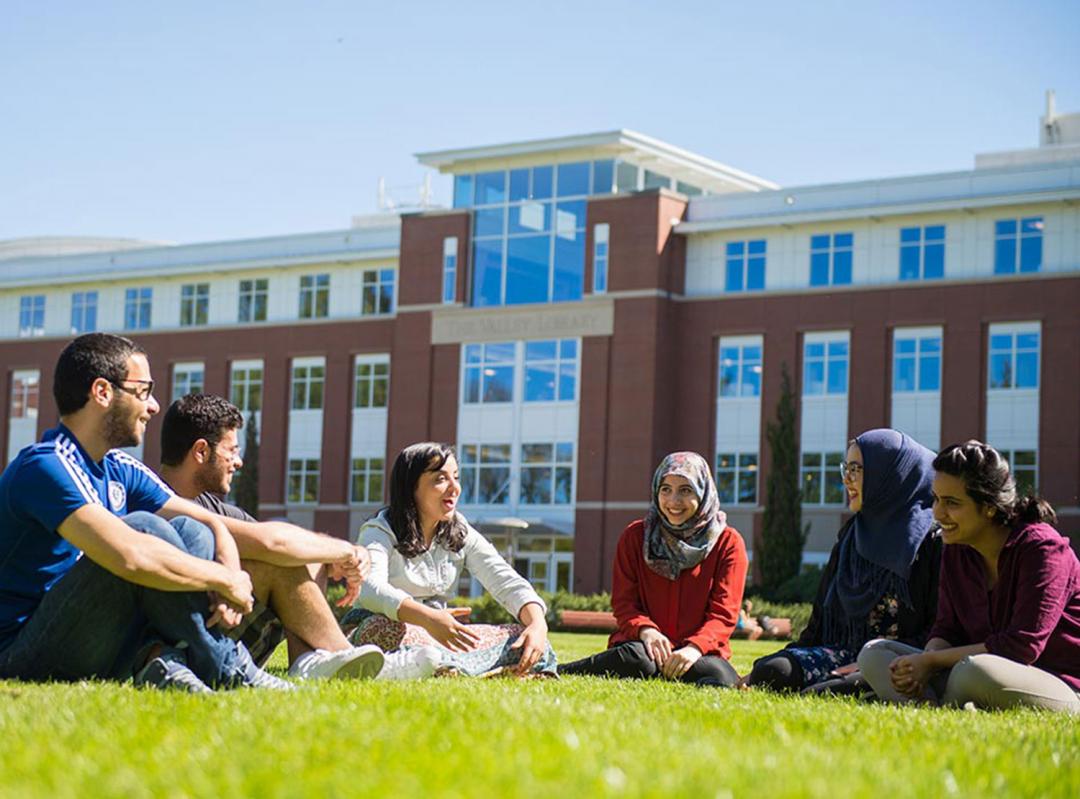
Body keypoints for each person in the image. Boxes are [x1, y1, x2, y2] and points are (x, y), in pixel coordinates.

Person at [0, 333, 290, 693]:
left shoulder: (119, 466)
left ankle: (165, 661)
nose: (153, 406)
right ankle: (224, 666)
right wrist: (222, 580)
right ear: (102, 392)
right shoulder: (44, 466)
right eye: (143, 392)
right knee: (143, 529)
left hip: (94, 637)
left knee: (190, 529)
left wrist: (231, 569)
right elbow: (131, 556)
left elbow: (210, 522)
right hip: (22, 653)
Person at [158, 394, 384, 681]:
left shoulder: (209, 503)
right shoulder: (159, 501)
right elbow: (270, 543)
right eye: (232, 450)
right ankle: (343, 653)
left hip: (217, 623)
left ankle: (307, 659)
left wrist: (343, 553)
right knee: (274, 560)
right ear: (201, 452)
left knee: (307, 556)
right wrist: (343, 551)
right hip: (180, 643)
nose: (238, 462)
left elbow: (285, 540)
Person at [859, 440, 1080, 712]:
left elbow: (1022, 647)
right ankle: (938, 709)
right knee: (875, 653)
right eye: (936, 499)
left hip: (1060, 682)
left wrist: (931, 663)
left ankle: (938, 707)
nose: (938, 513)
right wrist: (923, 664)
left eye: (951, 503)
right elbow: (946, 628)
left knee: (972, 671)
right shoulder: (955, 548)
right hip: (977, 671)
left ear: (988, 506)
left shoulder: (1042, 549)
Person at [745, 429, 942, 693]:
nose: (846, 480)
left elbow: (937, 629)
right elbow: (818, 627)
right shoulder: (851, 536)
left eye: (856, 469)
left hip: (900, 659)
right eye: (845, 468)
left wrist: (869, 661)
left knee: (824, 692)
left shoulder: (930, 542)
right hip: (843, 653)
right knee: (774, 670)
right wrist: (769, 665)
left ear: (889, 475)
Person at [345, 442, 555, 678]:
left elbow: (505, 580)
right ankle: (464, 667)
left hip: (438, 636)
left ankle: (451, 667)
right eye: (440, 479)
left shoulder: (458, 529)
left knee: (524, 637)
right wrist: (428, 618)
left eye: (456, 477)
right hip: (386, 627)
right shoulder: (378, 531)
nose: (454, 488)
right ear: (410, 487)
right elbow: (370, 589)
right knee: (397, 634)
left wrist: (538, 624)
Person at [560, 451, 747, 686]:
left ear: (703, 492)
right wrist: (647, 631)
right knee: (637, 660)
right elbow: (624, 604)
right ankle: (559, 670)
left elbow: (723, 614)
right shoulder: (635, 537)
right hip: (645, 649)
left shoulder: (728, 542)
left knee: (718, 675)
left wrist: (694, 648)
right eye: (665, 489)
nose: (673, 501)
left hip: (700, 654)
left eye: (685, 490)